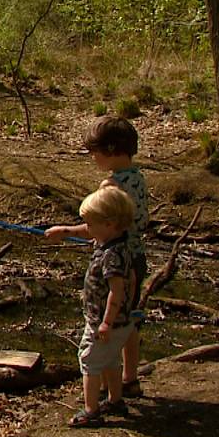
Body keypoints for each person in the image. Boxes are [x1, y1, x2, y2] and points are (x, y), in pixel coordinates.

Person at [46, 115, 149, 398]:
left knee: (105, 322)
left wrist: (66, 230)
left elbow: (96, 228)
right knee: (127, 322)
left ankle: (105, 384)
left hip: (111, 264)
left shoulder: (111, 187)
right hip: (136, 259)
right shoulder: (138, 178)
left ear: (112, 149)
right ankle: (130, 378)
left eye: (95, 152)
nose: (93, 157)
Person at [66, 184, 137, 427]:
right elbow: (133, 281)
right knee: (111, 361)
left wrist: (106, 322)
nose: (87, 229)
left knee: (89, 361)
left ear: (109, 225)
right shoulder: (119, 245)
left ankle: (91, 410)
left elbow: (117, 290)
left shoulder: (111, 255)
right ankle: (115, 399)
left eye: (91, 224)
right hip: (121, 321)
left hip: (104, 323)